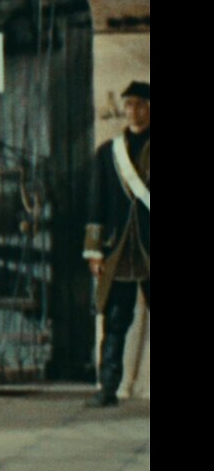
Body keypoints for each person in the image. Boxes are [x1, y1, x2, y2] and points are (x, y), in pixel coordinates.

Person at [83, 81, 150, 407]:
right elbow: (96, 203)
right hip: (119, 247)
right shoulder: (109, 152)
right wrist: (94, 250)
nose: (132, 111)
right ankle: (108, 388)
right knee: (115, 319)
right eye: (128, 105)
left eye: (139, 104)